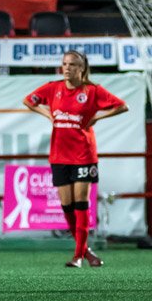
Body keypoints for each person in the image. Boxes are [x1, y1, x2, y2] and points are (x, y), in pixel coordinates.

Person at [23, 50, 128, 268]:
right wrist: (48, 114)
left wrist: (98, 116)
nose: (67, 68)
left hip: (84, 155)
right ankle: (86, 251)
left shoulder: (92, 91)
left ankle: (77, 256)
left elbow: (122, 105)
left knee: (81, 204)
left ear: (82, 68)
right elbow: (28, 100)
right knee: (66, 206)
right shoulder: (53, 88)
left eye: (72, 64)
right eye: (64, 64)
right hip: (59, 155)